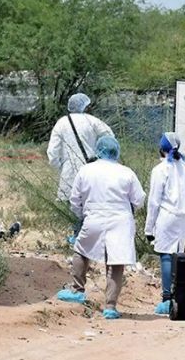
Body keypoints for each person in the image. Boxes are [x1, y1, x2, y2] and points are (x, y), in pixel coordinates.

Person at [56, 136, 146, 320]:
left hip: (94, 217)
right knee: (116, 261)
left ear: (98, 151)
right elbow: (139, 199)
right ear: (116, 152)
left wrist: (81, 215)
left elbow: (75, 200)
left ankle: (77, 289)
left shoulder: (86, 170)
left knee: (82, 250)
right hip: (120, 220)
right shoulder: (126, 172)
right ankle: (110, 306)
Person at [144, 133, 185, 315]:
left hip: (166, 217)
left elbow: (154, 201)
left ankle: (166, 299)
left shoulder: (160, 169)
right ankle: (177, 295)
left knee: (165, 256)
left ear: (161, 148)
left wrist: (149, 228)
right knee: (177, 257)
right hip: (182, 218)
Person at [46, 93, 115, 201]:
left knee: (69, 201)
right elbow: (110, 137)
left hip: (68, 171)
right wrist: (101, 156)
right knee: (92, 200)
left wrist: (60, 167)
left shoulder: (61, 123)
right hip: (91, 166)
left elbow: (53, 151)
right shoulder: (92, 120)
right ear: (85, 106)